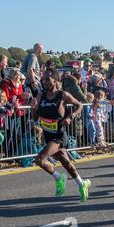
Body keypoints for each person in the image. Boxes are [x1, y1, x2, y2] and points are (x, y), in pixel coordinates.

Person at [30, 69, 91, 202]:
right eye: (43, 79)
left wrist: (71, 116)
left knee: (40, 160)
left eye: (47, 79)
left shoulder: (63, 95)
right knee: (66, 163)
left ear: (55, 80)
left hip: (59, 135)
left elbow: (79, 105)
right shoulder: (41, 95)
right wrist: (34, 108)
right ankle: (82, 184)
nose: (44, 82)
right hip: (48, 135)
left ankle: (59, 178)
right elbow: (35, 117)